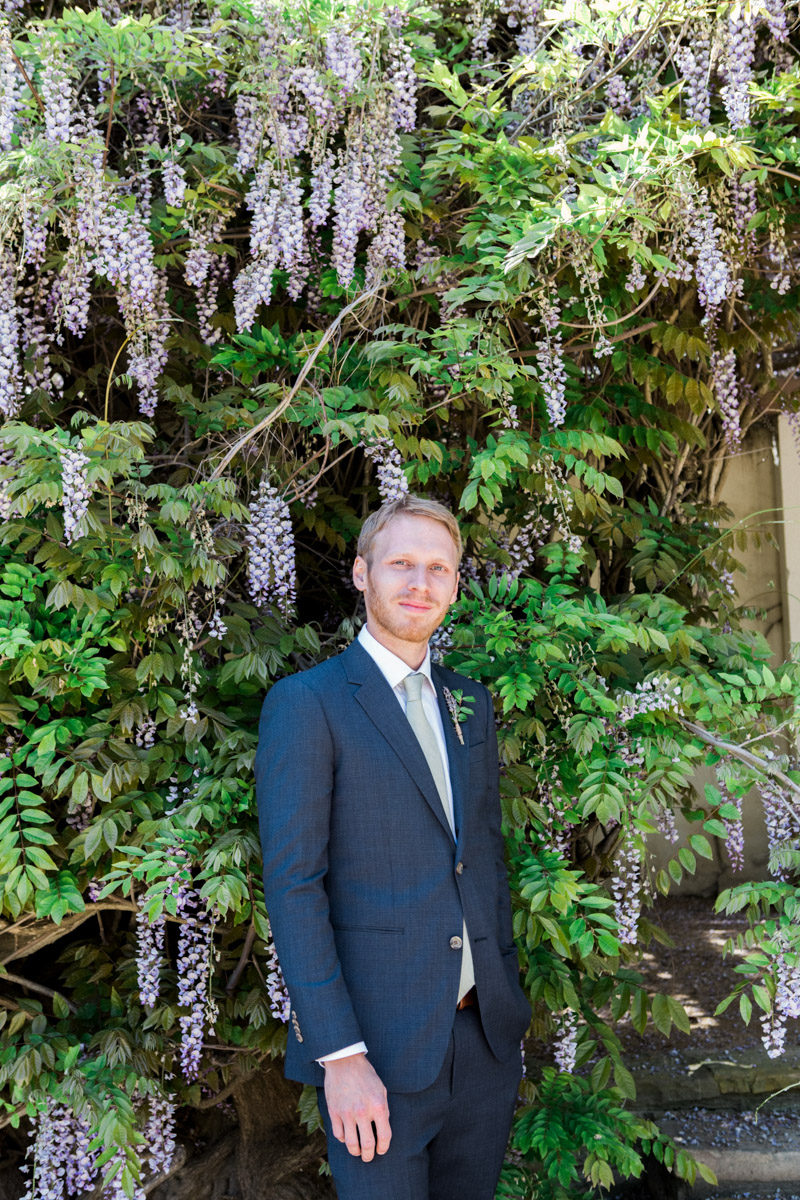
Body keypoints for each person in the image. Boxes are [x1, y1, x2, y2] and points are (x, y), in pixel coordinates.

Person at [255, 495, 531, 1200]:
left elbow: (483, 862)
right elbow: (294, 888)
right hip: (375, 1053)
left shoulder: (470, 702)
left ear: (456, 585)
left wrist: (506, 1004)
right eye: (401, 563)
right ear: (360, 573)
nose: (420, 583)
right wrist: (340, 1058)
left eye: (438, 567)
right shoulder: (308, 703)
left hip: (482, 1046)